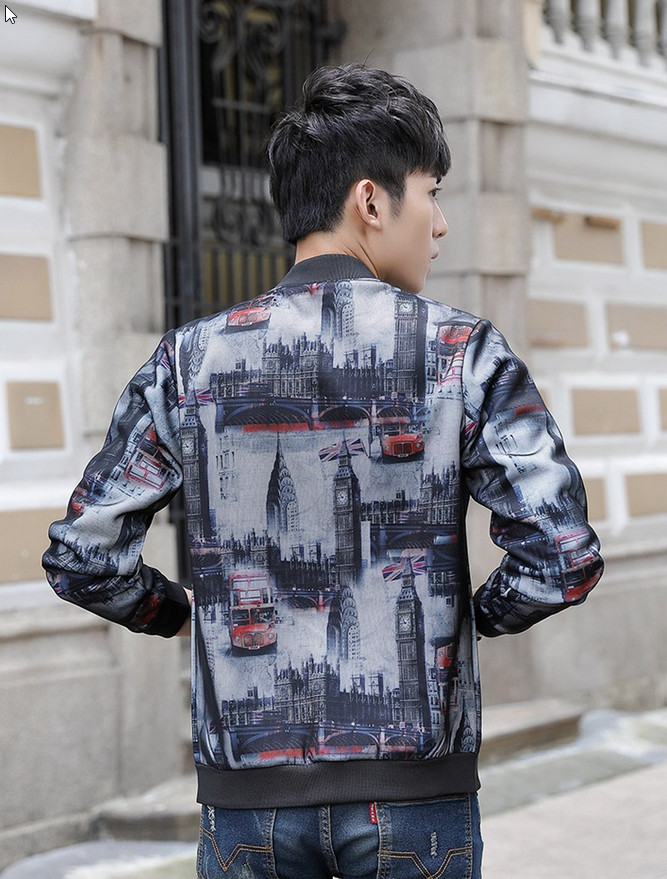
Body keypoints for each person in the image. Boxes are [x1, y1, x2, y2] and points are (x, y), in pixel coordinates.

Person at [43, 64, 603, 879]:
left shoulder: (186, 361)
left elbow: (83, 558)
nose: (440, 223)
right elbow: (562, 555)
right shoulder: (462, 352)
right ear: (371, 201)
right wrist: (466, 619)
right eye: (431, 192)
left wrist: (177, 613)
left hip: (247, 802)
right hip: (416, 795)